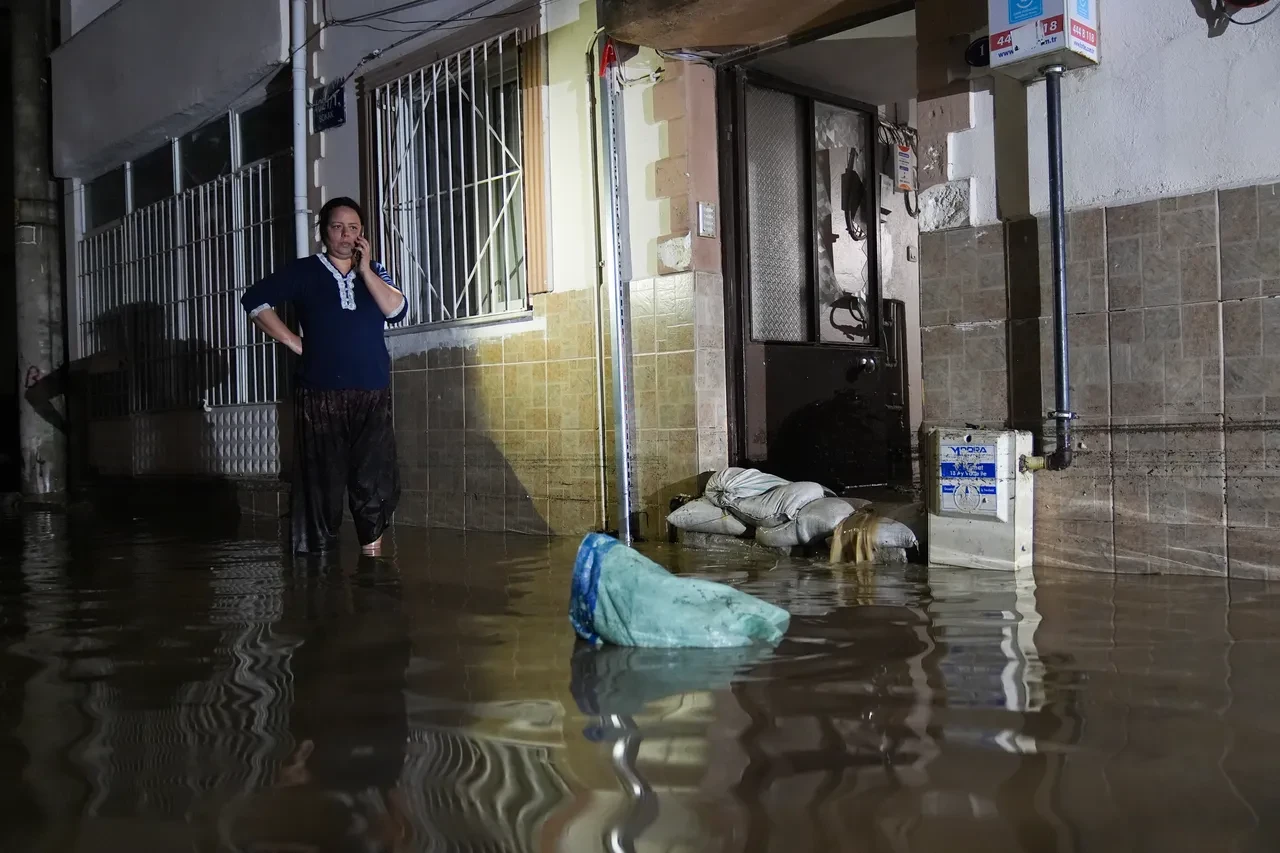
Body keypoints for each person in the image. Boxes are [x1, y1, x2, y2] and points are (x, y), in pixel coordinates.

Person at [240, 197, 407, 555]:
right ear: (324, 232)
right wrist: (294, 341)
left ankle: (372, 559)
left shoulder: (376, 272)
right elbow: (254, 300)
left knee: (373, 479)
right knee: (321, 482)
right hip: (320, 395)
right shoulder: (305, 271)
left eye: (353, 228)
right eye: (337, 227)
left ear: (362, 234)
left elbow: (396, 311)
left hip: (372, 391)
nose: (345, 235)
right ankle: (317, 571)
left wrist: (365, 272)